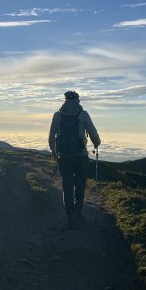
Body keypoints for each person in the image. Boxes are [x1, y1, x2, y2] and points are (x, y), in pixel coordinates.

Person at [49, 91, 101, 229]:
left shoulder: (57, 116)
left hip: (63, 156)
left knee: (67, 185)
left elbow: (51, 137)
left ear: (65, 100)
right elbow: (94, 134)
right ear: (77, 100)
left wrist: (54, 152)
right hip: (80, 156)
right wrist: (96, 143)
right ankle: (78, 211)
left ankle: (70, 215)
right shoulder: (83, 114)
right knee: (80, 184)